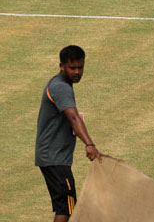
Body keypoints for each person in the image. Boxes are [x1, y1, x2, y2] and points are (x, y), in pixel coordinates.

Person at [36, 45, 101, 222]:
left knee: (67, 206)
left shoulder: (60, 84)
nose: (77, 72)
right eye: (72, 68)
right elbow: (73, 117)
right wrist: (89, 144)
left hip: (53, 158)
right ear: (61, 66)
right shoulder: (61, 88)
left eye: (80, 67)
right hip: (54, 158)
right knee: (66, 207)